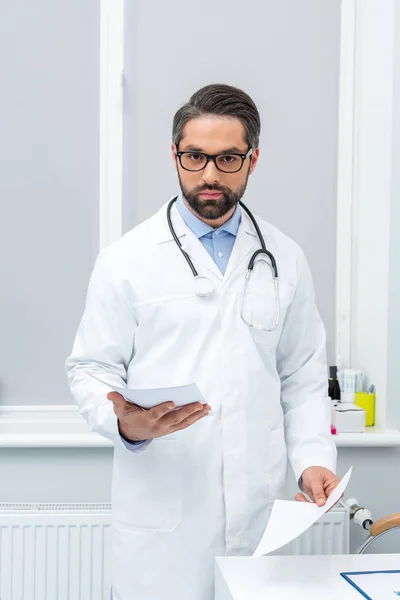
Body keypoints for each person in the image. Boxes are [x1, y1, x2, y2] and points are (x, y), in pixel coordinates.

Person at [66, 83, 338, 600]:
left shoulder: (285, 258)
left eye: (228, 158)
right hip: (163, 518)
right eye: (195, 157)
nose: (210, 175)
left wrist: (312, 460)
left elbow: (302, 377)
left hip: (257, 514)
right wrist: (125, 421)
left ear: (252, 160)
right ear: (175, 155)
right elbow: (91, 369)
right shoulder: (127, 260)